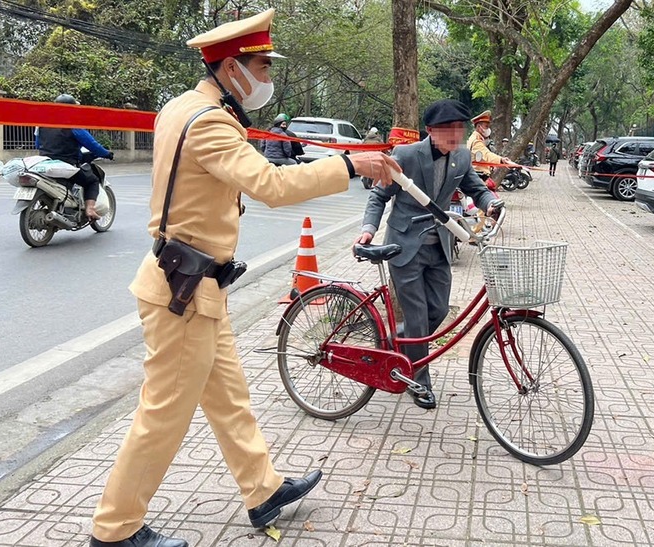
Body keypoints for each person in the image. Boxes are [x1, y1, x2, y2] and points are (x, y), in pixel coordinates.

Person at [89, 9, 400, 547]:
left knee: (229, 398)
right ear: (231, 67)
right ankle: (114, 530)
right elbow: (268, 184)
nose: (267, 78)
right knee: (162, 414)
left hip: (199, 286)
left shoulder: (183, 107)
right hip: (183, 292)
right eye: (261, 65)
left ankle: (263, 490)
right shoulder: (208, 121)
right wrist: (352, 166)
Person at [355, 99, 501, 410]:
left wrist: (490, 202)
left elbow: (476, 187)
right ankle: (418, 380)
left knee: (437, 310)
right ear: (431, 131)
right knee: (419, 316)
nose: (455, 136)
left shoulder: (461, 157)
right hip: (404, 246)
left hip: (439, 246)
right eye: (448, 130)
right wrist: (369, 228)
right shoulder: (406, 155)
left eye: (459, 129)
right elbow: (380, 195)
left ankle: (397, 343)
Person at [35, 94, 114, 220]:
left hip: (44, 163)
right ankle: (90, 209)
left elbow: (38, 144)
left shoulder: (42, 124)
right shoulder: (73, 125)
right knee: (92, 181)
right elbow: (92, 145)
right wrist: (107, 153)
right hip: (66, 164)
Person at [466, 110, 511, 181]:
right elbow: (486, 155)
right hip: (477, 177)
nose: (488, 129)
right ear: (478, 127)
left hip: (477, 176)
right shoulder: (476, 141)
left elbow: (480, 158)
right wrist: (501, 160)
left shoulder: (476, 138)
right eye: (486, 126)